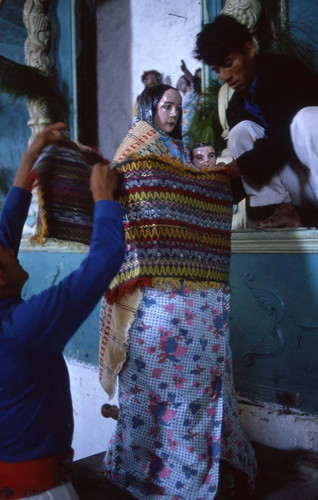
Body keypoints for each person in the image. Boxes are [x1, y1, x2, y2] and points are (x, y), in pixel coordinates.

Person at [99, 84, 256, 499]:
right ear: (148, 108)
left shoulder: (182, 161)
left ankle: (195, 471)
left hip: (193, 300)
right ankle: (145, 473)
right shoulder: (132, 157)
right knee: (151, 392)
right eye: (166, 106)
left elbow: (194, 197)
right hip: (149, 301)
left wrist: (218, 179)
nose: (173, 115)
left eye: (178, 108)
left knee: (203, 389)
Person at [0, 123, 125, 499]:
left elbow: (8, 222)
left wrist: (33, 149)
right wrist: (104, 197)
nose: (9, 246)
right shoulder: (24, 328)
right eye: (6, 251)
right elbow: (104, 260)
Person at [194, 14, 318, 229]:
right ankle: (283, 211)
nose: (225, 76)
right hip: (302, 188)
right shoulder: (236, 108)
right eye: (216, 70)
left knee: (306, 119)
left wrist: (236, 167)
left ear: (249, 50)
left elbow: (282, 138)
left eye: (229, 64)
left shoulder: (287, 71)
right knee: (240, 131)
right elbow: (254, 168)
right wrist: (206, 188)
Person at [177, 74, 198, 147]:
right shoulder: (181, 95)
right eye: (179, 83)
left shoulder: (191, 94)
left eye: (183, 83)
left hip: (189, 123)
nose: (180, 85)